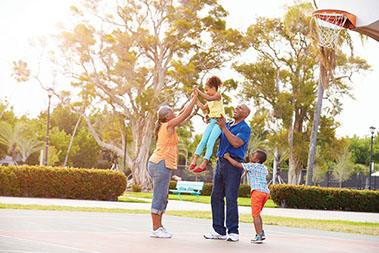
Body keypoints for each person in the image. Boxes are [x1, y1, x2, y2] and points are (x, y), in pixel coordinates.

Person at [147, 91, 198, 238]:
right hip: (160, 163)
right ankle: (155, 229)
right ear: (167, 116)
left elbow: (183, 112)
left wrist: (191, 97)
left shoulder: (167, 124)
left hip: (162, 164)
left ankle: (160, 226)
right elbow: (186, 114)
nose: (174, 113)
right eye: (172, 112)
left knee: (163, 196)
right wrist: (195, 97)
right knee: (159, 196)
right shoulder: (168, 125)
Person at [203, 104, 251, 242]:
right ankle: (219, 230)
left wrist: (223, 128)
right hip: (220, 162)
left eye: (241, 108)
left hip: (233, 164)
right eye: (237, 107)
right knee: (216, 196)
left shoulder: (245, 128)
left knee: (231, 198)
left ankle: (233, 231)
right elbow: (216, 136)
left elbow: (236, 142)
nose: (236, 108)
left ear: (246, 114)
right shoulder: (227, 124)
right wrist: (211, 123)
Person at [224, 150, 269, 244]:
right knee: (258, 214)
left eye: (253, 156)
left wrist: (228, 157)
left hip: (257, 191)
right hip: (265, 192)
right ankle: (261, 232)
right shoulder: (264, 168)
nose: (251, 157)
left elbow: (237, 164)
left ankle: (258, 236)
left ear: (256, 160)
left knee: (255, 215)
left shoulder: (252, 166)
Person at [189, 76, 225, 174]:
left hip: (218, 122)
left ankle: (204, 163)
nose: (206, 92)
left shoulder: (218, 96)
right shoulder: (210, 100)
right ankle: (195, 160)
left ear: (213, 88)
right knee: (203, 140)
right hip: (212, 121)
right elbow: (203, 107)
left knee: (210, 141)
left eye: (207, 90)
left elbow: (208, 98)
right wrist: (195, 98)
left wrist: (199, 91)